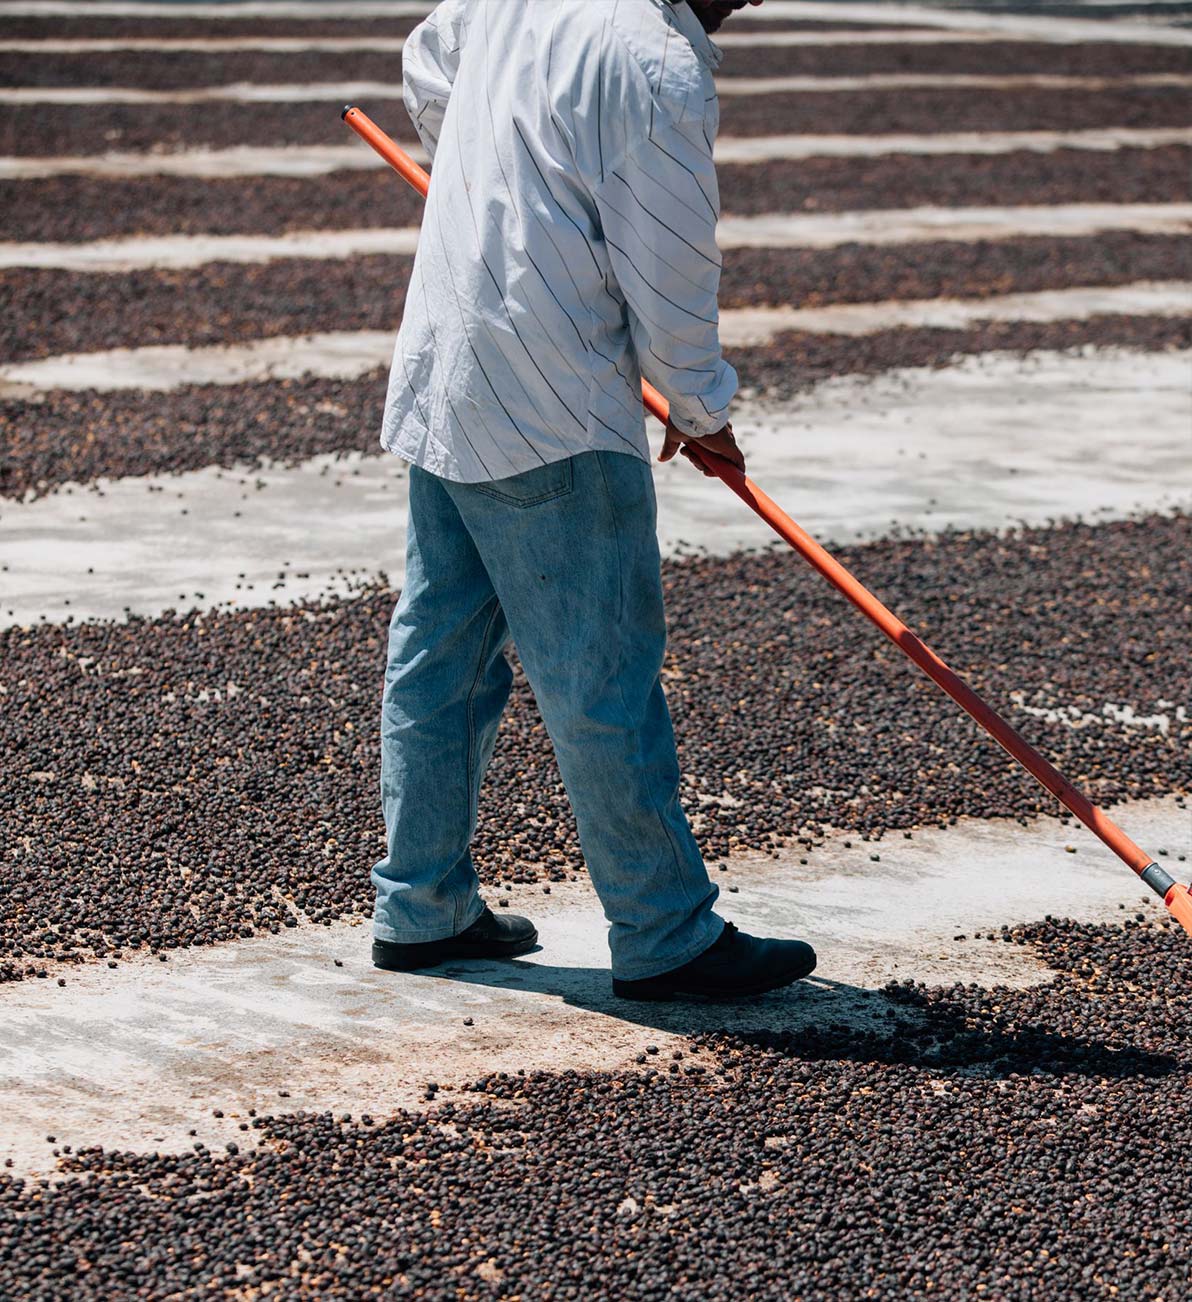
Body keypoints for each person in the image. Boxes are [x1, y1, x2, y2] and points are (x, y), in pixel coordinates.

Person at [370, 0, 816, 1000]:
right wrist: (700, 406)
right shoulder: (656, 67)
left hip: (453, 354)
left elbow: (427, 60)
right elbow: (668, 269)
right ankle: (664, 932)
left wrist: (488, 202)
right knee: (599, 673)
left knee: (440, 646)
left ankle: (420, 904)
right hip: (550, 403)